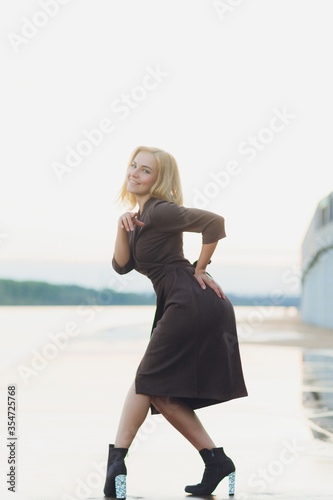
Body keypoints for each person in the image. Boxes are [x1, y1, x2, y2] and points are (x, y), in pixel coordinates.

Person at [103, 146, 248, 499]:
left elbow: (214, 223)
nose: (135, 173)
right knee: (160, 392)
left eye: (145, 170)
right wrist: (121, 226)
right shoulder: (140, 216)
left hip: (190, 301)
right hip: (178, 301)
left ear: (160, 179)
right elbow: (121, 266)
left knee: (148, 380)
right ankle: (216, 461)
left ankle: (115, 465)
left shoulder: (161, 210)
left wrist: (201, 267)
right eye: (133, 166)